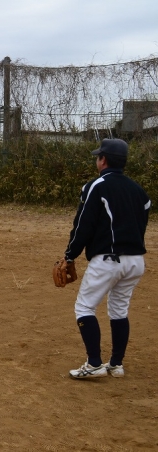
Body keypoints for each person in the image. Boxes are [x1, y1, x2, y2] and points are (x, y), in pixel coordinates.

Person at [63, 139, 150, 379]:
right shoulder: (139, 191)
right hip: (136, 261)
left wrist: (70, 255)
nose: (97, 160)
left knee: (84, 307)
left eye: (98, 156)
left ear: (103, 160)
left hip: (108, 260)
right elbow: (140, 225)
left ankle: (94, 364)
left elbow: (83, 225)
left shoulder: (97, 186)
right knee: (119, 309)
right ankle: (116, 365)